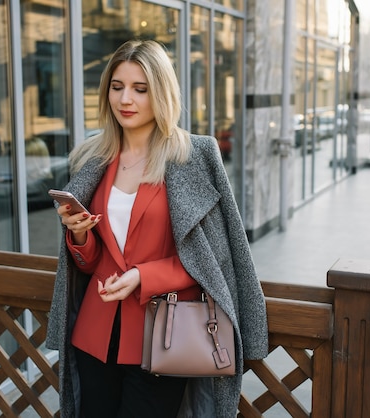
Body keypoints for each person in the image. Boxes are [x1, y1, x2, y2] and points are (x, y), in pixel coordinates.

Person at [45, 39, 268, 418]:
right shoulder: (94, 157)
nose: (125, 99)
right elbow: (88, 263)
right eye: (117, 87)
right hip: (94, 333)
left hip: (165, 337)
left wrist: (141, 276)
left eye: (140, 89)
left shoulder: (194, 155)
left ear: (161, 91)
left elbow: (212, 259)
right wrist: (79, 235)